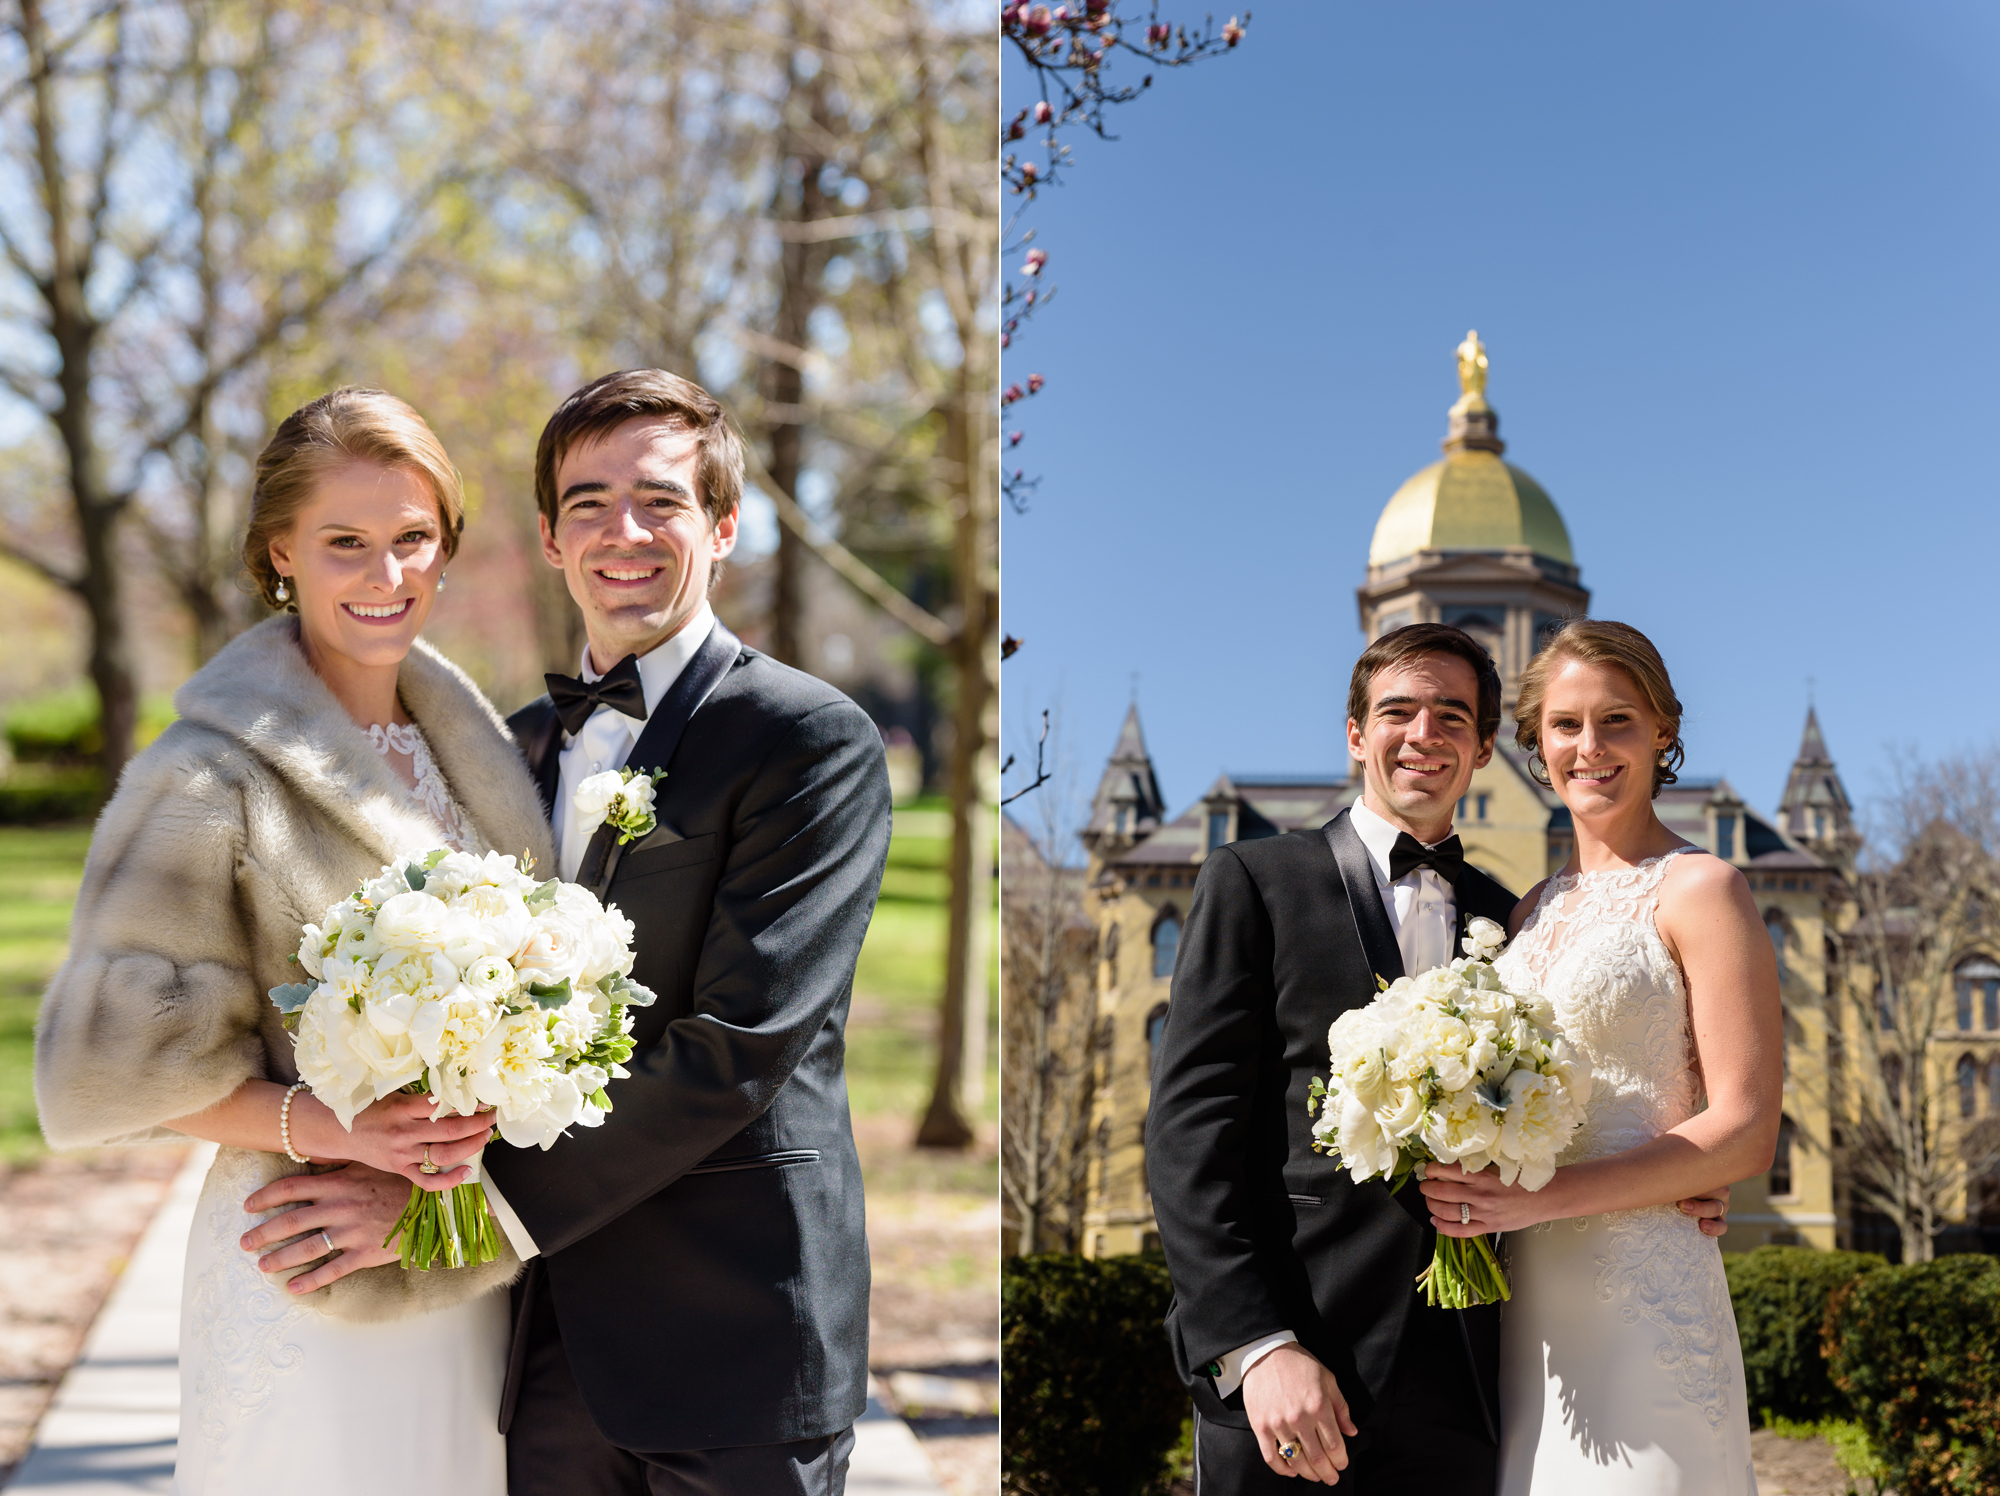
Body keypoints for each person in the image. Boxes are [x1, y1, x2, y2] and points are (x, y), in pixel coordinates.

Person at [333, 368, 890, 1495]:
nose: (620, 532)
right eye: (586, 503)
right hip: (549, 1345)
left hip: (736, 1333)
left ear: (723, 525)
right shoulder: (507, 744)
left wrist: (467, 1205)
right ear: (547, 536)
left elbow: (741, 1036)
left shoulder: (806, 738)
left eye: (660, 500)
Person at [34, 388, 554, 1494]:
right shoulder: (200, 774)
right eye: (346, 544)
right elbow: (108, 1073)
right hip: (307, 1263)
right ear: (282, 553)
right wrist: (329, 1123)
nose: (387, 575)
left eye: (414, 538)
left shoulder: (484, 752)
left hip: (467, 1270)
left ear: (447, 546)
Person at [1147, 622, 1732, 1494]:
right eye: (1399, 712)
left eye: (1453, 717)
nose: (1425, 735)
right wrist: (1256, 1348)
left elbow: (1583, 1088)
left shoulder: (1524, 922)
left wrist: (1684, 1167)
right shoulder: (1255, 880)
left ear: (1487, 746)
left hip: (1476, 1382)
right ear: (1356, 734)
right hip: (1295, 1369)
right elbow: (1189, 1135)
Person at [1416, 619, 1776, 1494]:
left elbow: (1745, 1128)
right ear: (1534, 743)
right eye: (1566, 725)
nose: (1591, 747)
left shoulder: (1705, 889)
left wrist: (1539, 1200)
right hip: (1522, 1303)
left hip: (1645, 1292)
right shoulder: (1529, 909)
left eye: (1618, 720)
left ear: (1662, 730)